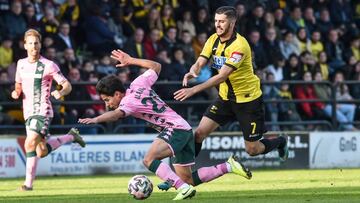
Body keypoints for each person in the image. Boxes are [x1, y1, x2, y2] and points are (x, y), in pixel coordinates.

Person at [78, 50, 252, 200]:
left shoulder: (128, 102)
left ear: (117, 94)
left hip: (174, 129)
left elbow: (116, 115)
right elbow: (156, 66)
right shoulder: (138, 84)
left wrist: (96, 119)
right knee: (189, 179)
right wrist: (131, 60)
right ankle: (228, 166)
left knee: (149, 160)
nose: (107, 104)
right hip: (182, 128)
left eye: (107, 100)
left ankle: (182, 189)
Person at [173, 6, 288, 161]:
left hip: (248, 100)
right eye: (215, 21)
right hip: (225, 98)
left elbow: (222, 76)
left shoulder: (240, 46)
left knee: (252, 149)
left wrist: (193, 90)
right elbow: (200, 61)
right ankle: (184, 174)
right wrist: (194, 70)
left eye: (222, 21)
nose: (217, 25)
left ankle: (281, 141)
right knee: (199, 133)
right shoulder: (213, 39)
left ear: (232, 23)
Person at [11, 29, 86, 191]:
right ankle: (70, 137)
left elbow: (67, 85)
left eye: (36, 43)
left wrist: (60, 91)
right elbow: (18, 83)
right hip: (27, 112)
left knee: (30, 143)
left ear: (40, 45)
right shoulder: (21, 64)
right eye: (30, 43)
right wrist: (16, 91)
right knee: (41, 151)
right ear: (25, 45)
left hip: (43, 111)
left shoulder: (48, 65)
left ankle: (27, 185)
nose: (33, 46)